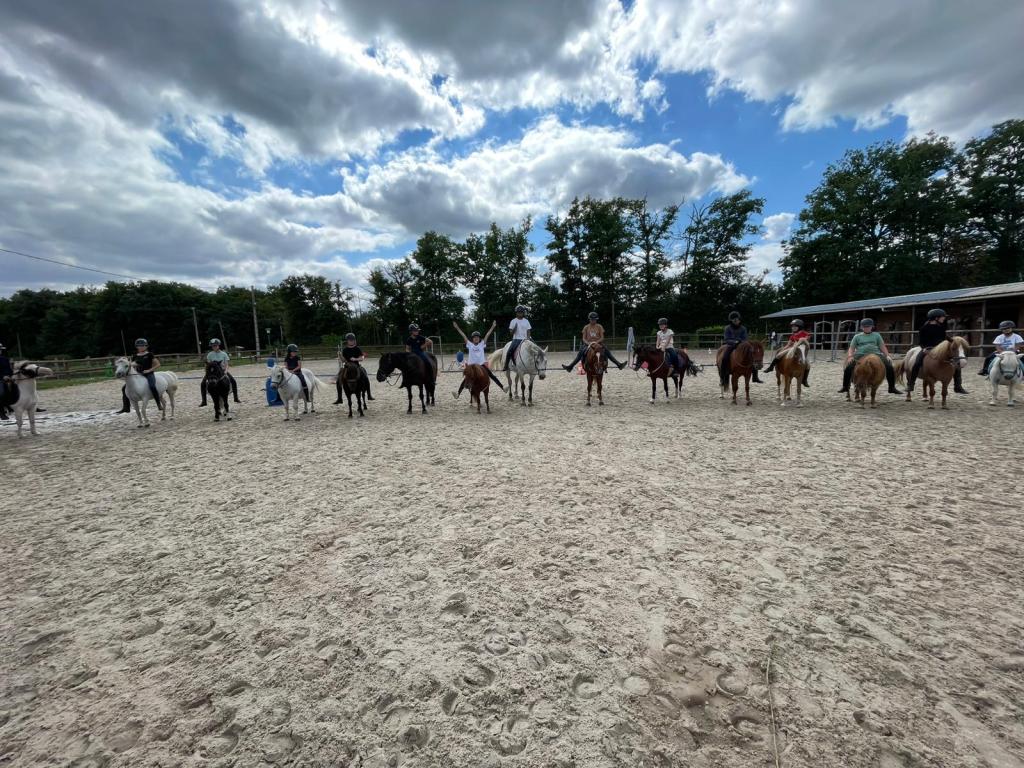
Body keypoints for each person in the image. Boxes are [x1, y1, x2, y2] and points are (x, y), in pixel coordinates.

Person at [906, 308, 968, 394]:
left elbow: (945, 338)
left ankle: (958, 386)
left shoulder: (941, 328)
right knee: (917, 362)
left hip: (940, 349)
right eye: (942, 317)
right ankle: (911, 384)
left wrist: (954, 341)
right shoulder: (924, 328)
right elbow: (921, 342)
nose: (944, 318)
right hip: (928, 348)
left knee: (956, 363)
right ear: (936, 318)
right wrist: (924, 349)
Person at [837, 318, 902, 394]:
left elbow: (882, 346)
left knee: (889, 366)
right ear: (861, 327)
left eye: (868, 326)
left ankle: (892, 387)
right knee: (848, 367)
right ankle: (845, 386)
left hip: (876, 354)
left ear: (872, 327)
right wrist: (850, 356)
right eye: (864, 327)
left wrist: (887, 355)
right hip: (860, 355)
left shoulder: (877, 335)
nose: (866, 328)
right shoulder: (857, 336)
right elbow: (852, 348)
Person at [452, 320, 505, 399]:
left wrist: (493, 326)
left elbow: (487, 335)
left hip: (481, 365)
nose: (476, 338)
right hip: (472, 366)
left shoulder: (482, 344)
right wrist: (457, 327)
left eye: (477, 337)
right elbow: (463, 335)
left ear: (479, 338)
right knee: (466, 379)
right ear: (472, 339)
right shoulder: (469, 344)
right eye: (474, 337)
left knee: (492, 375)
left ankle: (503, 387)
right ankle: (458, 393)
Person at [561, 312, 626, 371]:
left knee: (607, 351)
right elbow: (584, 338)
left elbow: (602, 337)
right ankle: (570, 367)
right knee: (580, 353)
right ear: (589, 319)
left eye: (594, 319)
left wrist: (596, 342)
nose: (593, 321)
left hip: (598, 343)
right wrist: (588, 343)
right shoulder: (586, 327)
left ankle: (619, 364)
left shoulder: (599, 326)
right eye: (592, 319)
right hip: (588, 344)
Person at [719, 312, 764, 386]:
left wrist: (741, 342)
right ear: (732, 321)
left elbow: (745, 338)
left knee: (752, 356)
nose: (737, 321)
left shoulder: (743, 328)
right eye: (735, 320)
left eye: (737, 320)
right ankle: (722, 376)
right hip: (730, 345)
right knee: (725, 358)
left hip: (742, 346)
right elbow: (726, 339)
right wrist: (735, 342)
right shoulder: (727, 328)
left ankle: (755, 376)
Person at [763, 319, 811, 387]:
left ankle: (804, 380)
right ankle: (771, 367)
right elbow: (788, 345)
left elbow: (805, 340)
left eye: (795, 326)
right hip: (792, 349)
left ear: (799, 327)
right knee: (778, 355)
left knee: (808, 365)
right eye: (792, 326)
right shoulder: (792, 335)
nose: (793, 328)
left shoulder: (805, 334)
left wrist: (800, 342)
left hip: (802, 351)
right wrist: (783, 349)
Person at [119, 338, 163, 413]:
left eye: (143, 345)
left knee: (152, 386)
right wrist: (128, 364)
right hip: (138, 374)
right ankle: (126, 407)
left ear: (146, 346)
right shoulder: (134, 356)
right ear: (136, 347)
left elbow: (158, 364)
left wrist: (149, 370)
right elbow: (132, 366)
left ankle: (158, 403)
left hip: (149, 374)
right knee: (124, 388)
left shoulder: (150, 354)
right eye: (139, 346)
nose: (141, 347)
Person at [334, 333, 374, 403]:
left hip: (356, 366)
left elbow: (361, 358)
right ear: (347, 341)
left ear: (354, 340)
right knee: (338, 379)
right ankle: (339, 398)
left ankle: (369, 394)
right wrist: (340, 355)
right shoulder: (345, 350)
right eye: (350, 340)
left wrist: (355, 359)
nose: (351, 341)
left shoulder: (357, 349)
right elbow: (343, 360)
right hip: (347, 367)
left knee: (365, 376)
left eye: (352, 340)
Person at [199, 338, 240, 407]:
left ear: (218, 345)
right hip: (212, 373)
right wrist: (207, 372)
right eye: (212, 346)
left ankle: (235, 398)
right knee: (203, 383)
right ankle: (204, 401)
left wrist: (226, 371)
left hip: (222, 371)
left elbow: (226, 364)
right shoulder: (210, 355)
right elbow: (208, 365)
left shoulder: (224, 354)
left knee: (233, 381)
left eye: (215, 345)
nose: (214, 347)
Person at [505, 305, 533, 371]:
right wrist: (514, 328)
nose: (520, 313)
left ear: (523, 313)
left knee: (536, 348)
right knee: (509, 351)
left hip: (525, 339)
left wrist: (528, 339)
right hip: (516, 339)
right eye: (518, 312)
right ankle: (506, 365)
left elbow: (528, 331)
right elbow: (511, 333)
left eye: (521, 312)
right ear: (516, 313)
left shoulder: (526, 321)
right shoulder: (513, 321)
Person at [0, 342, 13, 419]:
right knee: (1, 393)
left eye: (0, 350)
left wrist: (9, 375)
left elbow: (9, 370)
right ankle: (2, 413)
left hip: (7, 378)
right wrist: (2, 376)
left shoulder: (5, 359)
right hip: (0, 379)